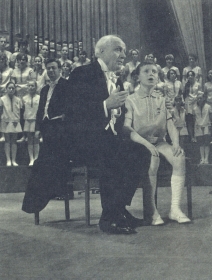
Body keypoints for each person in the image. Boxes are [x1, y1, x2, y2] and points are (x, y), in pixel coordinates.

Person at [66, 35, 148, 234]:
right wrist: (105, 105)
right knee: (114, 153)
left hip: (106, 140)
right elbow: (73, 112)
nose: (123, 55)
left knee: (141, 152)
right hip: (83, 141)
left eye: (124, 52)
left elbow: (117, 117)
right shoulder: (82, 73)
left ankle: (116, 209)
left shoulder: (117, 78)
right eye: (118, 49)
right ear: (100, 51)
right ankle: (110, 218)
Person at [123, 61, 191, 224]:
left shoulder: (163, 99)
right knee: (153, 160)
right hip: (139, 144)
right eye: (146, 71)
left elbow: (170, 123)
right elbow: (127, 128)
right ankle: (151, 212)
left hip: (159, 142)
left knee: (179, 157)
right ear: (137, 77)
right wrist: (146, 145)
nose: (151, 74)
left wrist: (175, 143)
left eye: (154, 71)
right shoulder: (130, 100)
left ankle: (175, 209)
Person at [22, 58, 70, 213]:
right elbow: (40, 110)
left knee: (53, 160)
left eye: (53, 68)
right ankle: (36, 200)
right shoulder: (43, 89)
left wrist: (64, 119)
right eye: (48, 69)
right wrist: (37, 128)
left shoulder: (66, 86)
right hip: (48, 129)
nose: (50, 71)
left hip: (61, 130)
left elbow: (71, 109)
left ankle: (59, 189)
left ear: (60, 69)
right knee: (41, 162)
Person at [0, 82, 22, 166]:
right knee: (7, 141)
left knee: (14, 141)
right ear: (6, 89)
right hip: (5, 121)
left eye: (13, 88)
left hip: (15, 121)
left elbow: (19, 111)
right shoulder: (2, 99)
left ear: (15, 89)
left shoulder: (18, 100)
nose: (11, 89)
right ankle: (8, 160)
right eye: (9, 88)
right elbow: (0, 111)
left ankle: (14, 160)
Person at [22, 80, 40, 166]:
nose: (31, 87)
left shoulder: (39, 97)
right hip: (27, 121)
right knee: (30, 140)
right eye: (29, 86)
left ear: (36, 87)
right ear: (27, 87)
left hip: (36, 120)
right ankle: (31, 159)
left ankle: (36, 158)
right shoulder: (24, 98)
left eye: (33, 86)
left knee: (36, 140)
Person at [192, 92, 212, 164]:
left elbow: (211, 117)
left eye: (201, 98)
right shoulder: (194, 108)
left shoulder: (208, 107)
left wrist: (210, 126)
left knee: (206, 143)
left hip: (206, 125)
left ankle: (206, 159)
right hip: (198, 127)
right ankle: (202, 158)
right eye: (198, 98)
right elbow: (194, 119)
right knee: (201, 143)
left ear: (204, 98)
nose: (200, 99)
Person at [183, 70, 202, 142]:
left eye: (191, 75)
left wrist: (196, 99)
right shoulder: (186, 85)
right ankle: (191, 137)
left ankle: (196, 135)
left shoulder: (198, 84)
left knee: (196, 119)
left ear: (194, 76)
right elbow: (185, 95)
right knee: (189, 120)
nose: (190, 77)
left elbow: (200, 94)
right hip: (188, 103)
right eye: (189, 76)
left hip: (196, 102)